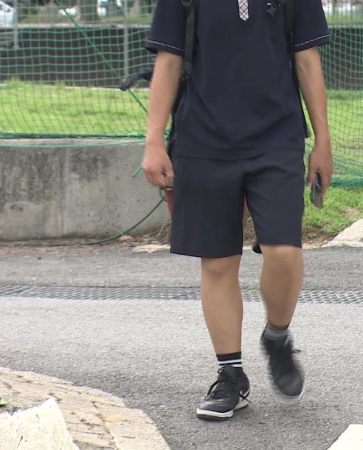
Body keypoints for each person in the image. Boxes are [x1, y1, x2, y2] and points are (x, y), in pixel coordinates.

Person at [141, 0, 333, 421]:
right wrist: (153, 140)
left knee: (284, 253)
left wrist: (323, 141)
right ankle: (230, 375)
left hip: (277, 138)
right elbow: (168, 61)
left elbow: (307, 59)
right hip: (202, 139)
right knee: (217, 262)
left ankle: (277, 336)